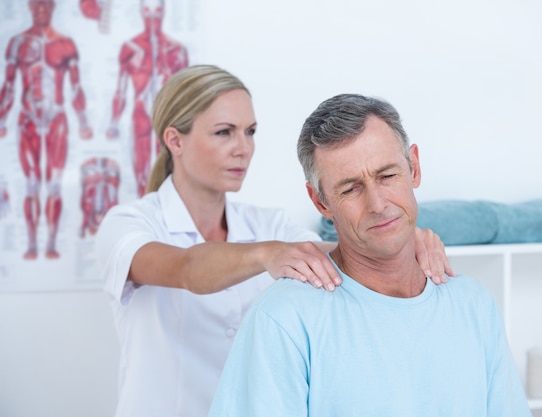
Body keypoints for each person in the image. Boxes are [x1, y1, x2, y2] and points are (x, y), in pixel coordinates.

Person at [95, 65, 453, 417]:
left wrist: (401, 239)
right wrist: (268, 254)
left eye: (249, 131)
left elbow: (342, 256)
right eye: (224, 132)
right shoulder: (128, 225)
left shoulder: (268, 224)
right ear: (175, 140)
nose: (243, 148)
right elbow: (187, 268)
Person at [208, 94, 531, 417]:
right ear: (320, 202)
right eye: (350, 189)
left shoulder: (474, 306)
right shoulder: (285, 319)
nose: (378, 204)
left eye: (387, 176)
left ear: (414, 167)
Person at [0, 0, 93, 259]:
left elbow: (75, 86)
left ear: (52, 7)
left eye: (45, 4)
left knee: (53, 184)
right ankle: (31, 243)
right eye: (36, 4)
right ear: (29, 7)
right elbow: (8, 85)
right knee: (31, 184)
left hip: (56, 121)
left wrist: (84, 122)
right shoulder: (17, 43)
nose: (41, 9)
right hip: (27, 119)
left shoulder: (65, 44)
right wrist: (2, 119)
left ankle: (51, 243)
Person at [106, 0, 189, 196]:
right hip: (141, 117)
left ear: (164, 13)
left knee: (170, 173)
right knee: (142, 174)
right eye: (147, 11)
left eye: (157, 11)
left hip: (169, 122)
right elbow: (121, 89)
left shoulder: (176, 50)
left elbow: (187, 94)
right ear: (141, 13)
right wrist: (114, 123)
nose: (152, 17)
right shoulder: (130, 48)